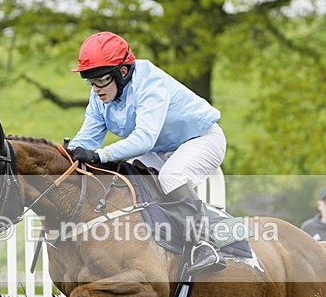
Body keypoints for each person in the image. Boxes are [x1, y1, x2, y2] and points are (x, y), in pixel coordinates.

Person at [66, 31, 228, 275]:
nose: (96, 88)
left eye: (100, 80)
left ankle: (205, 244)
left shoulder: (150, 82)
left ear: (122, 73)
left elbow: (144, 139)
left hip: (202, 139)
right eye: (90, 81)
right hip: (161, 149)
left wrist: (100, 155)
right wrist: (63, 157)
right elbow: (86, 140)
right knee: (127, 179)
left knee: (171, 177)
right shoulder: (100, 95)